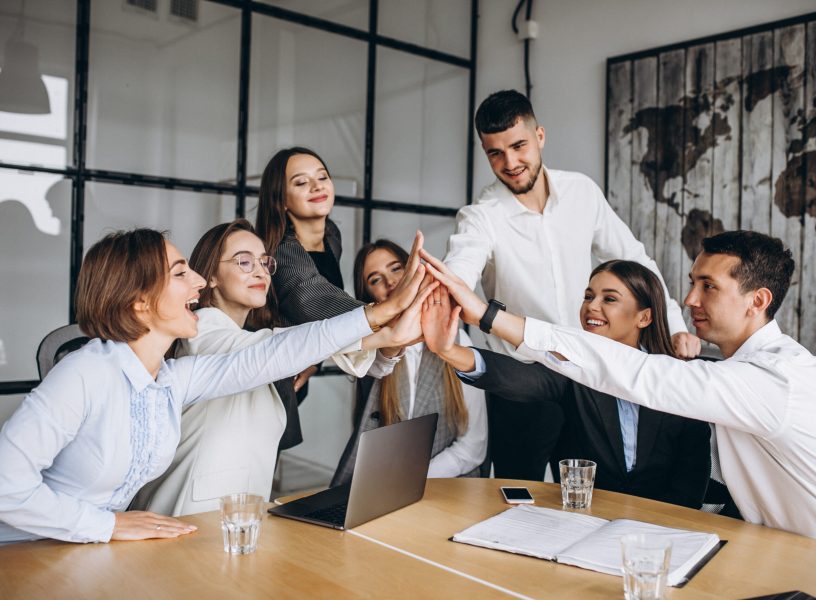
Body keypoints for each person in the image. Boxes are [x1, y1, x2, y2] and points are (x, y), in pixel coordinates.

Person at [0, 228, 433, 544]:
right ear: (139, 300)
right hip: (31, 552)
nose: (200, 282)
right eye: (180, 273)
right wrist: (108, 525)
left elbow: (267, 355)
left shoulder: (170, 381)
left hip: (104, 550)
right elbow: (6, 490)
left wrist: (381, 325)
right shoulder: (82, 373)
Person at [421, 230, 816, 538]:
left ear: (757, 300)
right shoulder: (743, 371)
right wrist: (451, 349)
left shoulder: (772, 380)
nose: (689, 298)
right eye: (693, 282)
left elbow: (635, 373)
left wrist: (486, 314)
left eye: (708, 286)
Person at [442, 89, 700, 481]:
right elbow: (459, 270)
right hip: (521, 383)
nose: (510, 163)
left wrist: (676, 327)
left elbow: (636, 260)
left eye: (519, 146)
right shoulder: (481, 217)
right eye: (495, 153)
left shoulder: (582, 192)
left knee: (591, 495)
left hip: (585, 378)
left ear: (540, 136)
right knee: (517, 497)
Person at [131, 220, 400, 516]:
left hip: (233, 523)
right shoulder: (203, 332)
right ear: (210, 276)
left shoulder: (249, 339)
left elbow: (278, 349)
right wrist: (381, 318)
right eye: (244, 262)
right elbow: (273, 349)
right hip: (185, 518)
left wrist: (391, 338)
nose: (260, 271)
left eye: (264, 262)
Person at [422, 259, 711, 508]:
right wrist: (449, 351)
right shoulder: (574, 369)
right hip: (586, 522)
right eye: (588, 296)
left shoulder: (677, 379)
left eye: (609, 299)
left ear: (644, 316)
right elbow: (522, 379)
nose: (592, 307)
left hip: (663, 531)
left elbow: (690, 481)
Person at [256, 147, 409, 448]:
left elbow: (320, 313)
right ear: (281, 199)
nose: (317, 187)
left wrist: (314, 358)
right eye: (301, 182)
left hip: (297, 367)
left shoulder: (331, 235)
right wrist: (389, 312)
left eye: (322, 177)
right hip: (264, 373)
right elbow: (314, 299)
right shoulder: (280, 250)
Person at [332, 240, 487, 485]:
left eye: (396, 269)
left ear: (415, 269)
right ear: (368, 296)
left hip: (448, 485)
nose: (391, 282)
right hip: (384, 484)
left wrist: (412, 478)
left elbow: (473, 447)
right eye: (375, 279)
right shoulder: (372, 353)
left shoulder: (458, 342)